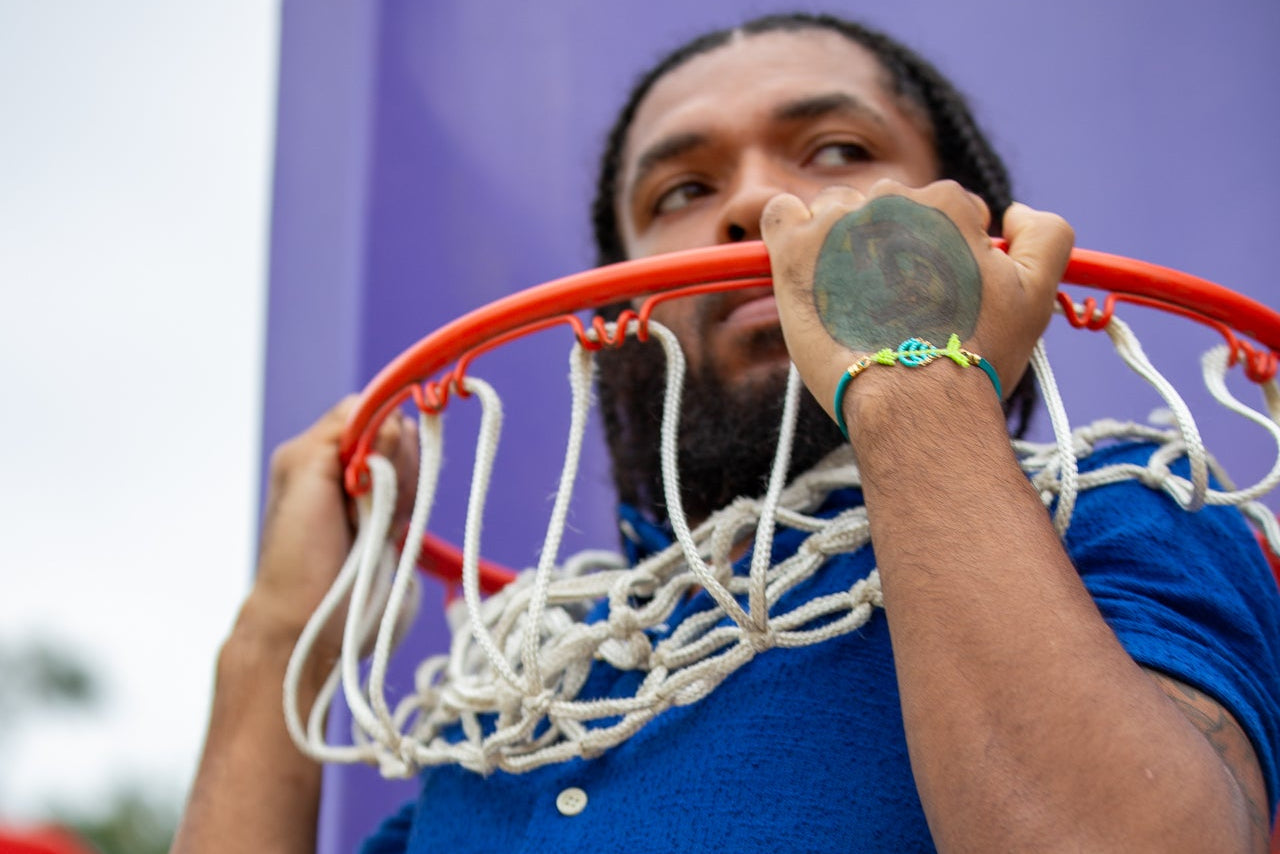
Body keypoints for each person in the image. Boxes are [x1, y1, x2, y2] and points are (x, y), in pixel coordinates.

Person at [171, 13, 1280, 853]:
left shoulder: (1123, 506)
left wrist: (911, 376)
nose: (754, 205)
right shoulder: (521, 689)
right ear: (616, 313)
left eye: (838, 151)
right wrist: (276, 641)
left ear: (978, 236)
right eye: (682, 186)